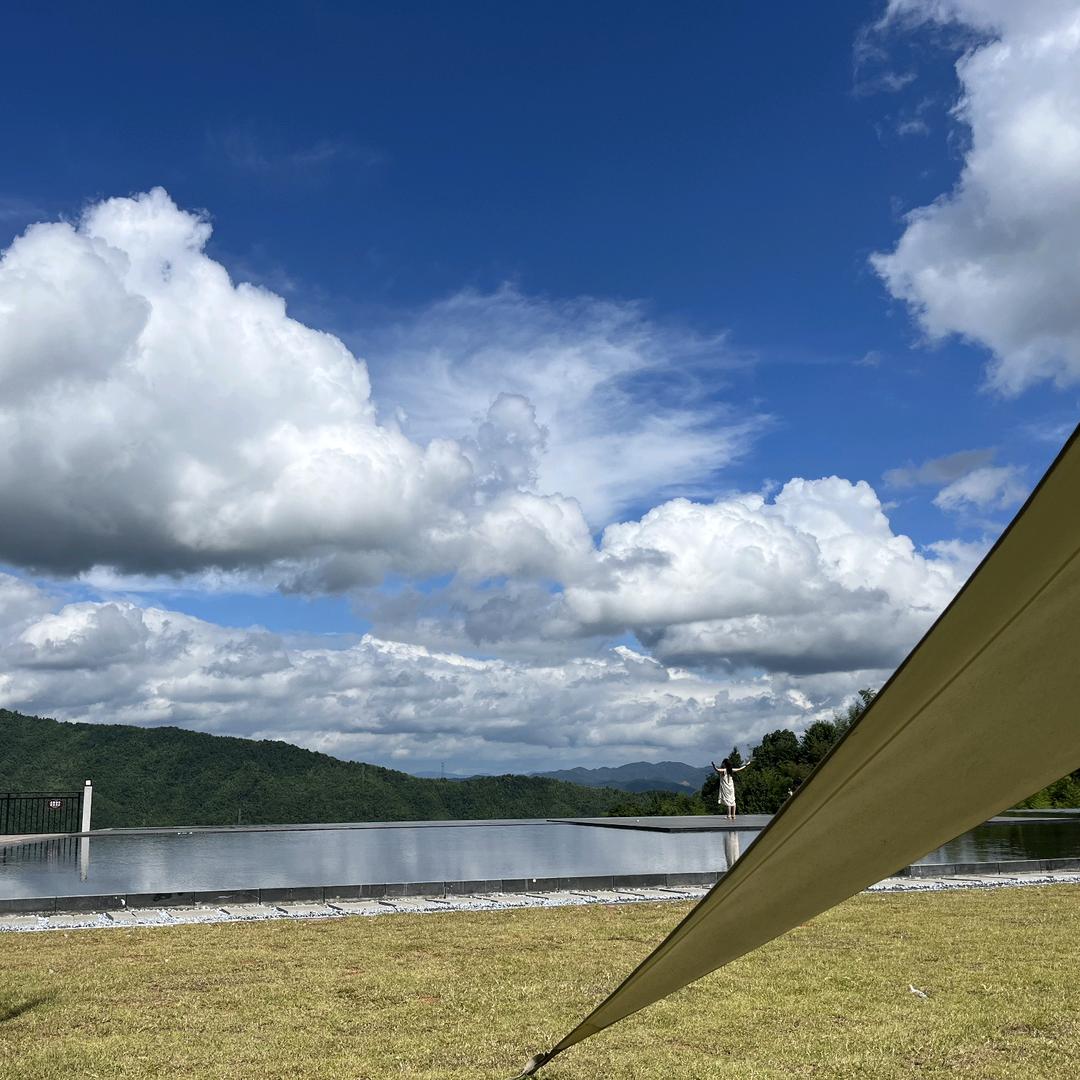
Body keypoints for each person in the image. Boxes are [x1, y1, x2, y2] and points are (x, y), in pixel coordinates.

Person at [711, 757, 750, 821]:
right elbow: (740, 768)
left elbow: (717, 770)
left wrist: (713, 766)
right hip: (731, 787)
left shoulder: (724, 770)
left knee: (728, 802)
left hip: (726, 787)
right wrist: (746, 765)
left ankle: (729, 815)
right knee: (733, 801)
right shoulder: (731, 770)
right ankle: (733, 815)